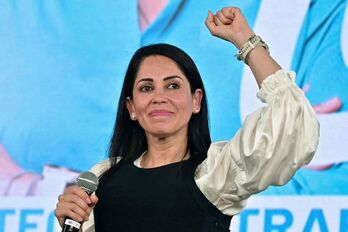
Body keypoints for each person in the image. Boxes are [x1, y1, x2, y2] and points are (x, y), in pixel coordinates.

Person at [54, 6, 319, 231]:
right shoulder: (102, 177)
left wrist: (247, 41)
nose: (159, 97)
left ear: (196, 101)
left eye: (172, 86)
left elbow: (290, 120)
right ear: (131, 107)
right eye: (146, 88)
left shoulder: (214, 172)